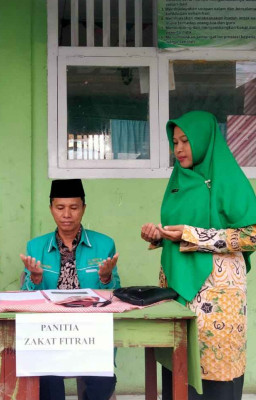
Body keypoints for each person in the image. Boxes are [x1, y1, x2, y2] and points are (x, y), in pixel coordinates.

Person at [141, 111, 256, 400]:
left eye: (185, 141)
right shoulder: (178, 182)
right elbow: (176, 230)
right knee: (178, 366)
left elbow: (252, 235)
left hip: (218, 294)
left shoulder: (230, 180)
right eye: (175, 142)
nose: (178, 149)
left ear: (204, 140)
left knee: (215, 367)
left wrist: (195, 236)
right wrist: (159, 236)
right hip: (178, 290)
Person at [20, 178, 120, 400]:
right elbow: (26, 299)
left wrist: (106, 279)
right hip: (48, 332)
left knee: (102, 382)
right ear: (51, 209)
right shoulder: (35, 246)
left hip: (91, 330)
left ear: (83, 208)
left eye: (74, 207)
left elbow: (116, 294)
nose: (67, 214)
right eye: (60, 207)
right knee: (46, 382)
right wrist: (34, 280)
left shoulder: (104, 244)